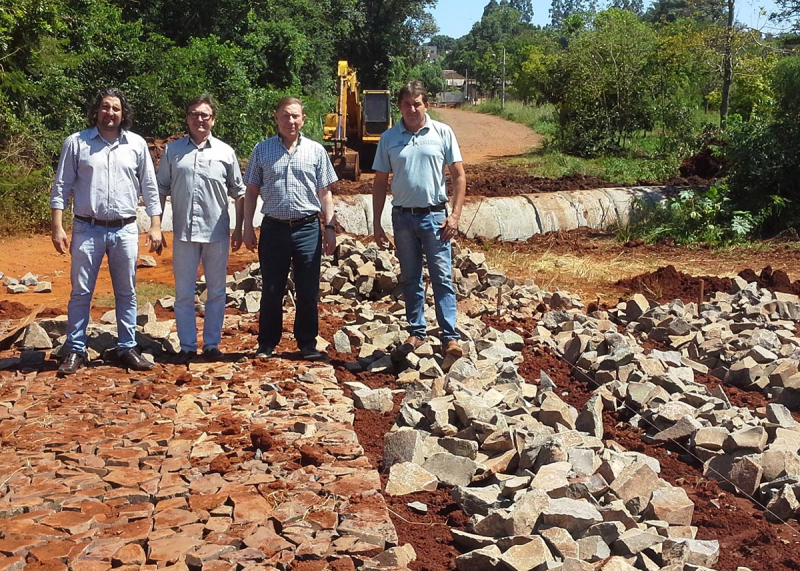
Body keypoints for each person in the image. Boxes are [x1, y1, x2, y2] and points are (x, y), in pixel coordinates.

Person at [51, 87, 163, 375]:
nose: (109, 112)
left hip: (125, 229)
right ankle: (75, 349)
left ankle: (127, 346)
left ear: (123, 114)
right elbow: (62, 186)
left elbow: (150, 187)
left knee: (126, 291)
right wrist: (57, 226)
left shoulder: (137, 145)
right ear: (96, 110)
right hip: (86, 227)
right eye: (104, 107)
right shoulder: (76, 143)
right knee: (81, 292)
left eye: (115, 108)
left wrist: (155, 224)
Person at [372, 80, 467, 358]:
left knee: (441, 278)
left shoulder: (442, 133)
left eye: (417, 103)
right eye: (406, 104)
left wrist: (455, 215)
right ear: (399, 107)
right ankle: (417, 333)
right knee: (411, 278)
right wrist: (377, 224)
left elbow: (459, 176)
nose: (412, 109)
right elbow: (379, 183)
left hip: (436, 218)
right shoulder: (389, 138)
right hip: (402, 218)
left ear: (426, 104)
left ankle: (450, 336)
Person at [242, 97, 337, 360]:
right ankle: (267, 343)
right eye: (285, 116)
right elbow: (251, 191)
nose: (290, 121)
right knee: (272, 289)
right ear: (276, 118)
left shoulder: (317, 151)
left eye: (295, 116)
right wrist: (247, 227)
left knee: (308, 289)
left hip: (307, 229)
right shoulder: (262, 150)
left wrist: (330, 227)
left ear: (303, 119)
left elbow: (325, 192)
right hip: (274, 229)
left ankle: (307, 344)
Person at [157, 95, 246, 364]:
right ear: (187, 118)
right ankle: (186, 346)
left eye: (205, 115)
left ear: (213, 120)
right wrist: (156, 226)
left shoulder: (225, 152)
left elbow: (239, 192)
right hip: (183, 233)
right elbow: (160, 188)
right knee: (183, 293)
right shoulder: (173, 152)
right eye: (194, 114)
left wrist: (240, 228)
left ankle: (211, 344)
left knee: (216, 292)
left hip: (217, 233)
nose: (199, 119)